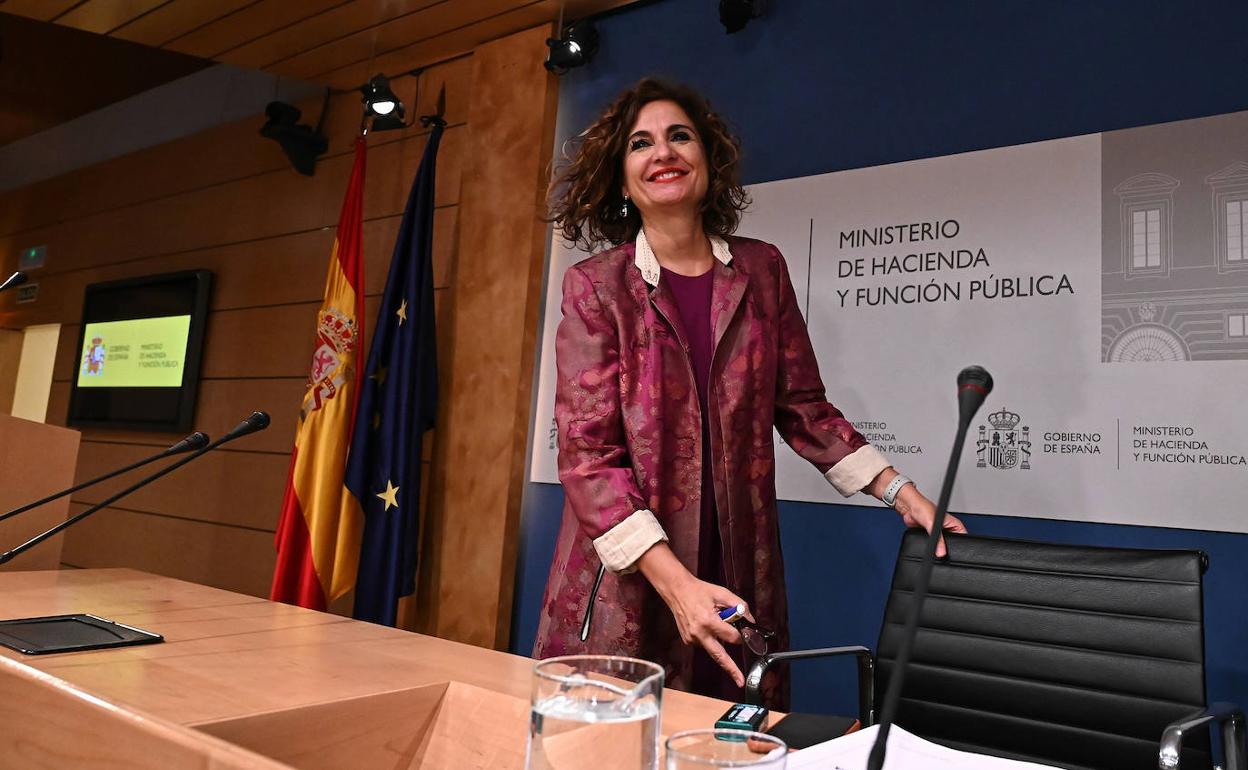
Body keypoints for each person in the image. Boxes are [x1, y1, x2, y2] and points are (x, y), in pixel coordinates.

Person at [533, 78, 965, 708]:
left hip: (738, 564)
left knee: (736, 733)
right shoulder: (595, 286)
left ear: (708, 161)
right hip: (635, 575)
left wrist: (900, 492)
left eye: (680, 136)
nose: (663, 152)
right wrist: (677, 585)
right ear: (622, 181)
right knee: (620, 738)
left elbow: (804, 407)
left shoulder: (762, 270)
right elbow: (588, 457)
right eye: (640, 144)